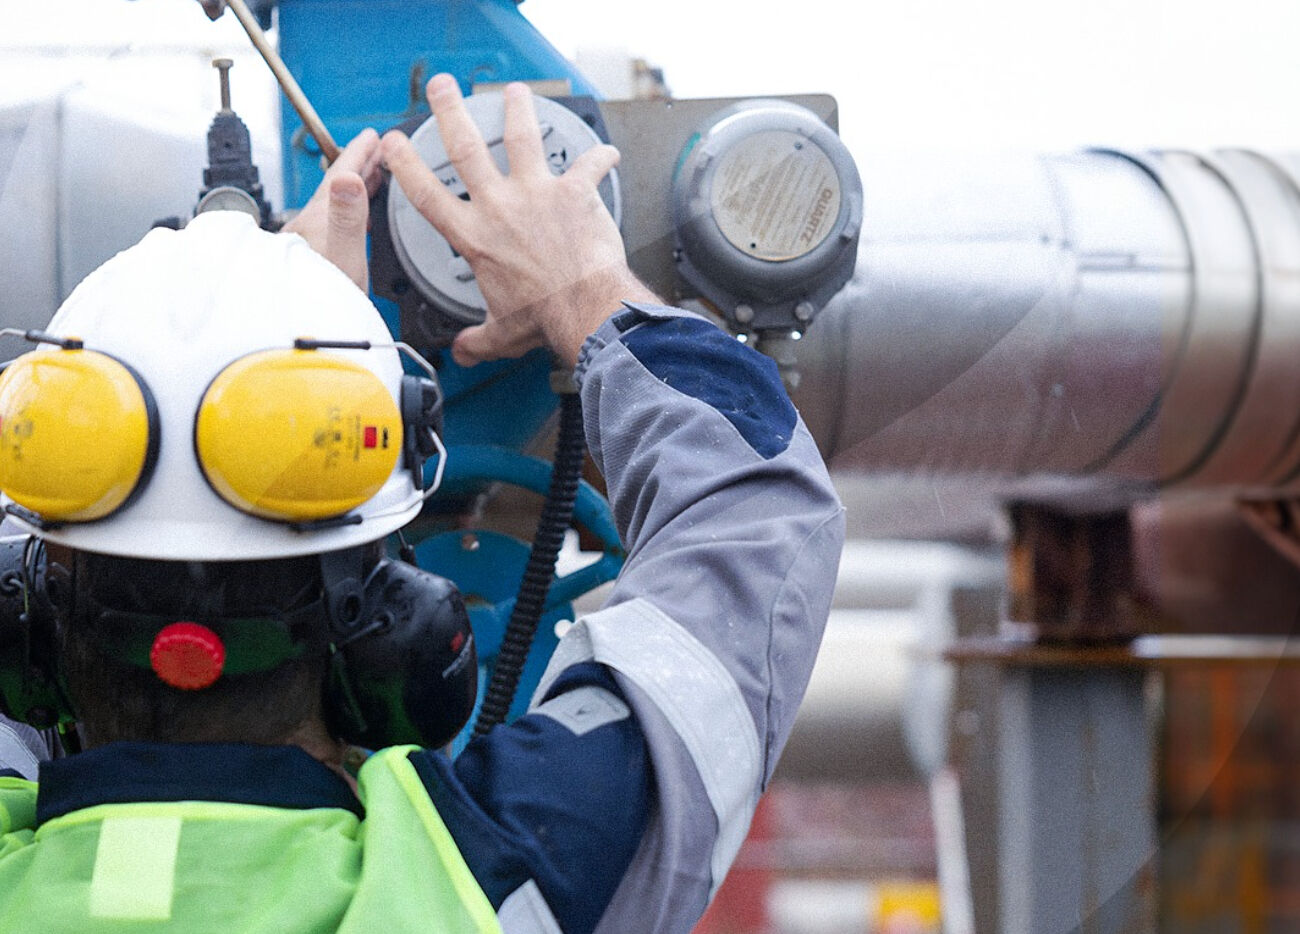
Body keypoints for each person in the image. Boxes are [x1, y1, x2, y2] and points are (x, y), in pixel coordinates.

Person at [0, 75, 843, 932]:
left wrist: (235, 328)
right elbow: (754, 518)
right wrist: (584, 287)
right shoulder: (490, 890)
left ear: (23, 637)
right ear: (388, 643)